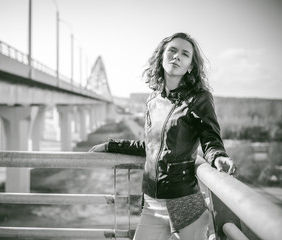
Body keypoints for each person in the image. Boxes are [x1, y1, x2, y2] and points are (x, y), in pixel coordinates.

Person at [89, 32, 237, 240]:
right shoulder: (153, 100)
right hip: (151, 202)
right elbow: (151, 147)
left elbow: (210, 138)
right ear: (162, 57)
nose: (177, 57)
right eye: (172, 51)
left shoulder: (199, 98)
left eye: (185, 54)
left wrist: (218, 156)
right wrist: (112, 145)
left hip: (184, 201)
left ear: (191, 66)